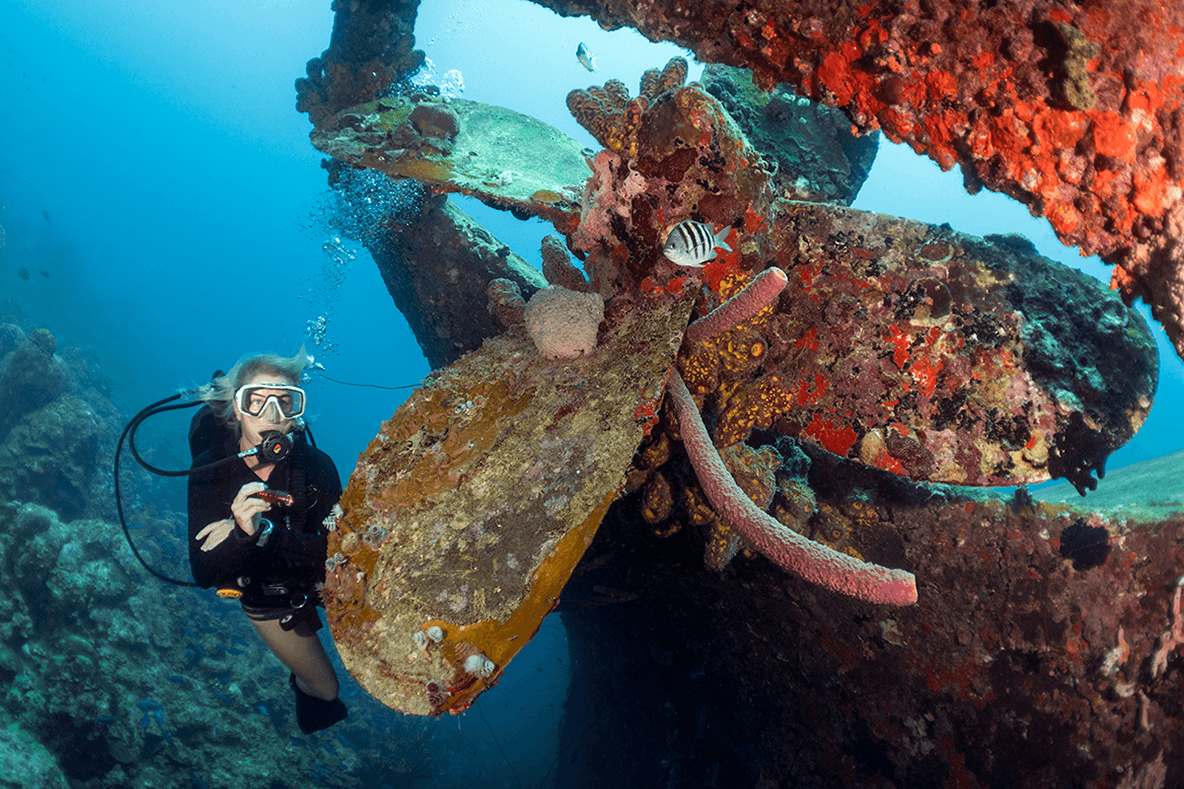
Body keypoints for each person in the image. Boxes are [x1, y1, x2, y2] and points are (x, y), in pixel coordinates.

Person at [187, 348, 347, 734]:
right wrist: (243, 535)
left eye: (285, 402)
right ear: (236, 408)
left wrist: (264, 534)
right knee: (327, 691)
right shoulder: (209, 467)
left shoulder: (317, 467)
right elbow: (204, 573)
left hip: (316, 580)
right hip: (266, 596)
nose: (271, 415)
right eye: (256, 401)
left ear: (296, 413)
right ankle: (302, 691)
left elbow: (341, 553)